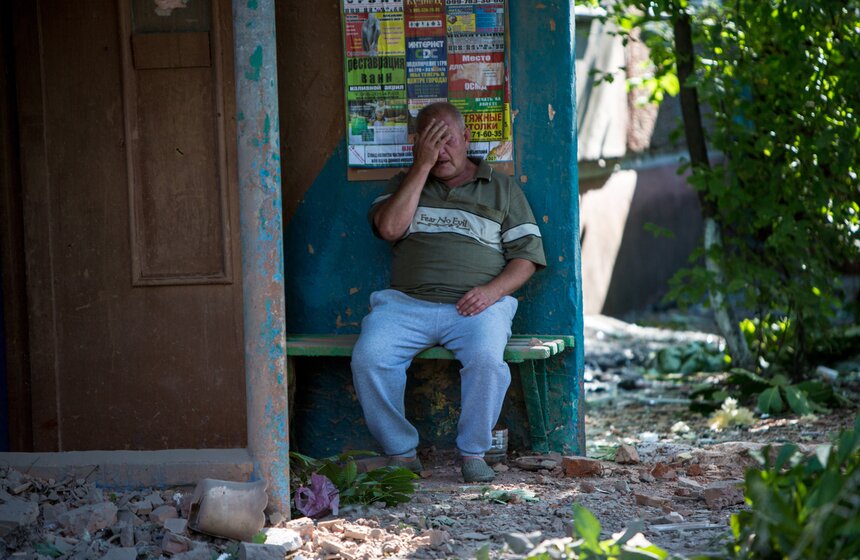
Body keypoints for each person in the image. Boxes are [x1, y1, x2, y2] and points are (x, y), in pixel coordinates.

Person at [351, 102, 546, 483]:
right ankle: (401, 453)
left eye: (447, 141)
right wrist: (421, 168)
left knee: (488, 362)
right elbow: (389, 229)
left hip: (476, 307)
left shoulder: (502, 189)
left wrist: (491, 292)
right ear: (417, 146)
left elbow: (527, 259)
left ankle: (473, 453)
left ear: (466, 139)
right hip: (406, 304)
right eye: (430, 142)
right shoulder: (404, 185)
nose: (441, 151)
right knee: (370, 358)